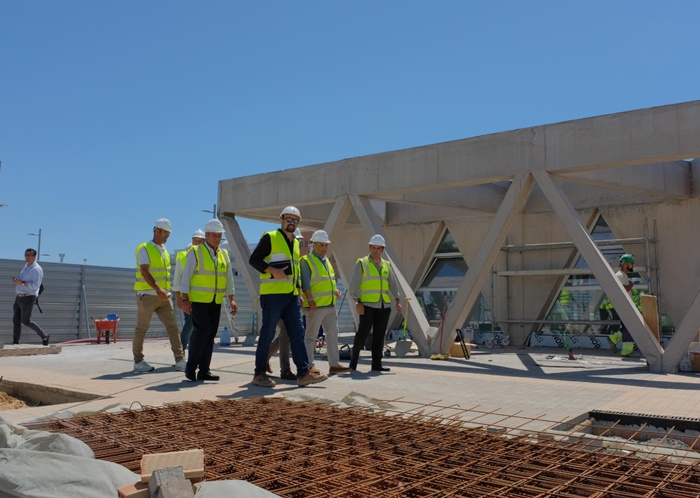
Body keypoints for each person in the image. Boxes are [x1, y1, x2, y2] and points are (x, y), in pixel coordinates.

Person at [248, 206, 328, 387]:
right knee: (267, 334)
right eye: (289, 219)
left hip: (291, 296)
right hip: (273, 295)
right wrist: (272, 270)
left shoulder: (294, 244)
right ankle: (259, 374)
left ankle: (303, 373)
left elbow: (295, 271)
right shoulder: (270, 237)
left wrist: (298, 292)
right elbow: (254, 260)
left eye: (295, 220)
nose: (292, 223)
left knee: (297, 333)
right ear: (282, 219)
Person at [180, 219, 238, 381]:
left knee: (210, 334)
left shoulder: (224, 254)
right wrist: (185, 299)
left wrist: (232, 299)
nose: (217, 238)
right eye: (213, 235)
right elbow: (186, 276)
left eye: (219, 236)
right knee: (203, 331)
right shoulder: (196, 252)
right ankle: (190, 367)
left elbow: (228, 279)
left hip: (216, 301)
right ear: (206, 236)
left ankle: (204, 370)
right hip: (198, 301)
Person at [132, 218, 186, 373]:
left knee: (173, 327)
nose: (167, 237)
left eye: (169, 234)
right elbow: (144, 271)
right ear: (157, 230)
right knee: (142, 328)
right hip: (148, 295)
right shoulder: (145, 248)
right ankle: (138, 362)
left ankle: (180, 359)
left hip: (164, 296)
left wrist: (166, 292)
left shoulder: (164, 251)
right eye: (165, 233)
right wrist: (157, 289)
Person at [349, 234, 403, 372]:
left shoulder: (386, 264)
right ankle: (353, 363)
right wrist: (358, 302)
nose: (375, 250)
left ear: (382, 250)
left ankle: (377, 364)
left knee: (380, 335)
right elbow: (354, 284)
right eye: (373, 247)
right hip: (367, 305)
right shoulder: (361, 263)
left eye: (378, 248)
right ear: (370, 247)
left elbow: (392, 283)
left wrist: (397, 300)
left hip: (383, 306)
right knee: (363, 334)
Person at [301, 230, 349, 374]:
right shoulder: (306, 261)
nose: (324, 248)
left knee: (333, 334)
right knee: (310, 337)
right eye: (321, 245)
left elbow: (327, 281)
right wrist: (310, 300)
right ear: (313, 244)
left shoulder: (326, 260)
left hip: (329, 305)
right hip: (315, 306)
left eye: (325, 245)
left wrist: (335, 291)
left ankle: (334, 365)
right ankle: (309, 366)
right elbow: (305, 284)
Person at [173, 228, 206, 352]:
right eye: (195, 240)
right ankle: (180, 350)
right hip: (187, 298)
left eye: (200, 241)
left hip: (202, 298)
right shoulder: (184, 256)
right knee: (190, 324)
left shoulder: (206, 257)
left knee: (198, 326)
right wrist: (178, 298)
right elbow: (177, 279)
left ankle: (194, 352)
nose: (196, 243)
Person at [12, 248, 49, 345]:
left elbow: (35, 285)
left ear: (34, 257)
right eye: (26, 255)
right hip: (19, 297)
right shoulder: (26, 266)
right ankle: (16, 342)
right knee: (16, 320)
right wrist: (18, 281)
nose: (28, 257)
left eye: (30, 255)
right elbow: (23, 280)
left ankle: (44, 335)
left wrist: (22, 283)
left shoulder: (36, 269)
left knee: (25, 321)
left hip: (28, 297)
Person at [606, 253, 638, 357]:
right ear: (624, 264)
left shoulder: (623, 276)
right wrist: (631, 285)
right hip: (624, 306)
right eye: (631, 263)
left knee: (628, 327)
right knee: (630, 328)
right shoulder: (619, 275)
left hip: (625, 306)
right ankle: (626, 350)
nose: (632, 266)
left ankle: (613, 338)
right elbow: (623, 290)